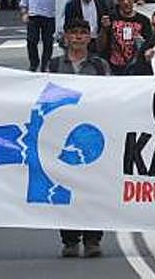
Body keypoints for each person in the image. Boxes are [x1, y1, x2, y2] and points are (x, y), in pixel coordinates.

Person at [48, 19, 109, 257]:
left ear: (89, 37)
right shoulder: (54, 65)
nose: (78, 38)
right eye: (74, 33)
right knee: (65, 188)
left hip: (94, 134)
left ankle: (93, 239)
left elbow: (115, 95)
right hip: (62, 135)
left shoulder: (100, 65)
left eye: (83, 33)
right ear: (66, 37)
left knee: (94, 190)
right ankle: (70, 239)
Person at [99, 0, 153, 75]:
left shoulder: (143, 20)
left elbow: (150, 45)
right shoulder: (110, 18)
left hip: (137, 69)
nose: (126, 2)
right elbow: (100, 46)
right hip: (114, 68)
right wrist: (104, 29)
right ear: (117, 1)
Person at [21, 0, 59, 72]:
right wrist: (24, 12)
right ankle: (34, 63)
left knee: (48, 41)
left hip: (50, 14)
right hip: (34, 14)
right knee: (31, 40)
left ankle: (45, 64)